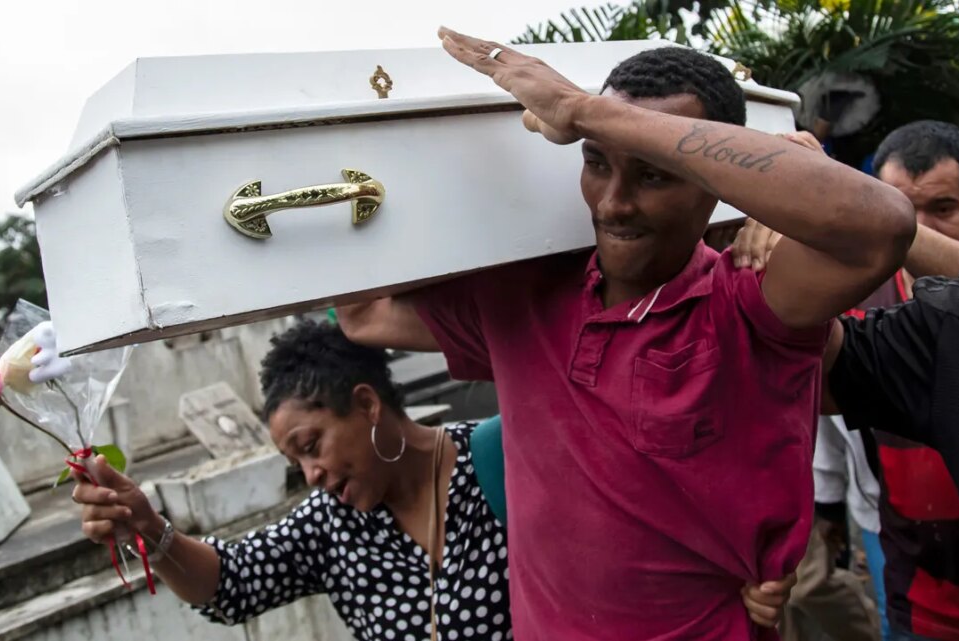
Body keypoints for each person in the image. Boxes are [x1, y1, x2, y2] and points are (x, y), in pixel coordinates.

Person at [337, 28, 915, 640]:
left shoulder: (746, 302)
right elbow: (364, 314)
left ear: (714, 184)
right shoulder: (521, 300)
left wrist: (584, 111)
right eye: (594, 161)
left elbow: (879, 229)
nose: (613, 204)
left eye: (655, 174)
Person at [57, 321, 795, 641]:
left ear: (367, 404)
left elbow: (644, 526)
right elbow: (233, 583)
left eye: (313, 446)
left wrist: (734, 580)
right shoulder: (332, 528)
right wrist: (152, 531)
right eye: (296, 463)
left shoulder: (510, 460)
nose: (311, 475)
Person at [733, 120, 959, 641]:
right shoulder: (854, 297)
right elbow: (809, 389)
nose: (920, 225)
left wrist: (864, 211)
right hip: (910, 575)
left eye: (943, 209)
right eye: (901, 207)